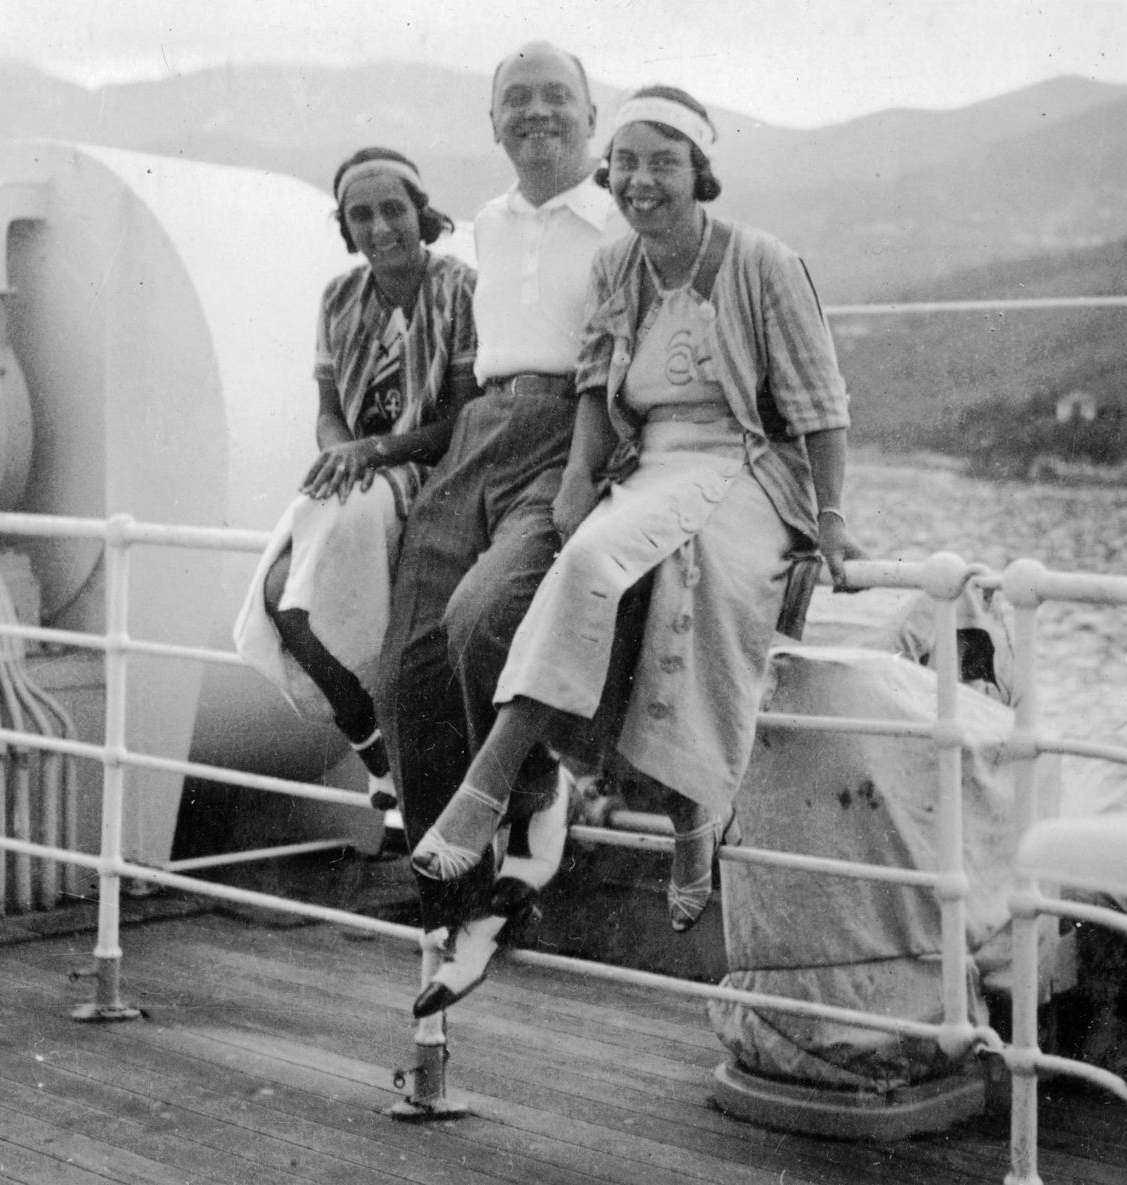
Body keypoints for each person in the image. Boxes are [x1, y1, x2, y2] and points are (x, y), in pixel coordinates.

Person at [412, 84, 864, 941]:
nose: (641, 181)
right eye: (625, 163)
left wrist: (832, 516)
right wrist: (580, 476)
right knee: (589, 558)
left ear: (700, 172)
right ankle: (551, 795)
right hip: (653, 462)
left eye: (664, 162)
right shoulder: (618, 263)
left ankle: (644, 807)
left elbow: (821, 404)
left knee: (695, 581)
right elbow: (594, 376)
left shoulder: (762, 261)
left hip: (748, 466)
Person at [374, 44, 628, 1032]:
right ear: (491, 124)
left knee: (485, 620)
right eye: (513, 101)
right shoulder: (486, 221)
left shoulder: (619, 220)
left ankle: (534, 789)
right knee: (406, 666)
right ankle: (462, 911)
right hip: (482, 428)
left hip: (571, 431)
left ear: (590, 115)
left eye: (554, 98)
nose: (534, 114)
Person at [235, 148, 477, 812]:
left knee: (355, 606)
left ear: (421, 215)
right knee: (284, 597)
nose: (377, 228)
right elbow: (328, 412)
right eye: (360, 214)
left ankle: (397, 760)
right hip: (357, 469)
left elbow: (461, 419)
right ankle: (375, 752)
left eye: (392, 209)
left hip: (430, 469)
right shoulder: (339, 296)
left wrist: (374, 451)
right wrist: (342, 449)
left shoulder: (460, 289)